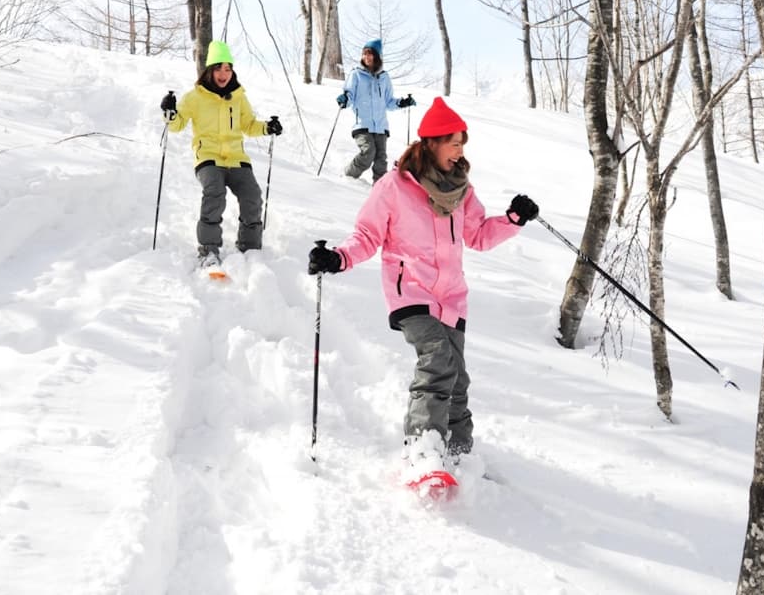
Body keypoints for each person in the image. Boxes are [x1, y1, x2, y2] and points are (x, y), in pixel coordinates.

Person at [307, 96, 538, 478]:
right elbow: (367, 234)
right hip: (410, 291)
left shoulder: (462, 189)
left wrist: (513, 219)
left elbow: (478, 235)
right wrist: (339, 257)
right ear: (431, 142)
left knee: (457, 378)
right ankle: (424, 449)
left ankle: (461, 455)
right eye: (454, 142)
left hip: (451, 298)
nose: (460, 151)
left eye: (463, 143)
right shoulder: (395, 186)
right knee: (437, 362)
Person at [160, 40, 282, 265]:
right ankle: (208, 250)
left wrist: (267, 127)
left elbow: (248, 125)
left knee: (252, 197)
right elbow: (176, 125)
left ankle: (250, 248)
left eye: (228, 68)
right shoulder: (194, 97)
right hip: (208, 157)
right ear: (209, 70)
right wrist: (169, 111)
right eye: (218, 68)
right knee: (215, 193)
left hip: (237, 159)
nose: (224, 73)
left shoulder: (238, 97)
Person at [336, 39, 415, 182]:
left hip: (381, 126)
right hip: (363, 124)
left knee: (381, 160)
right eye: (364, 54)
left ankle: (379, 188)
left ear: (377, 56)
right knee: (368, 153)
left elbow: (389, 102)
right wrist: (345, 99)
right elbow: (350, 95)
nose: (366, 57)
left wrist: (403, 102)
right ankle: (347, 176)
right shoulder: (356, 75)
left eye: (370, 54)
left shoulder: (384, 77)